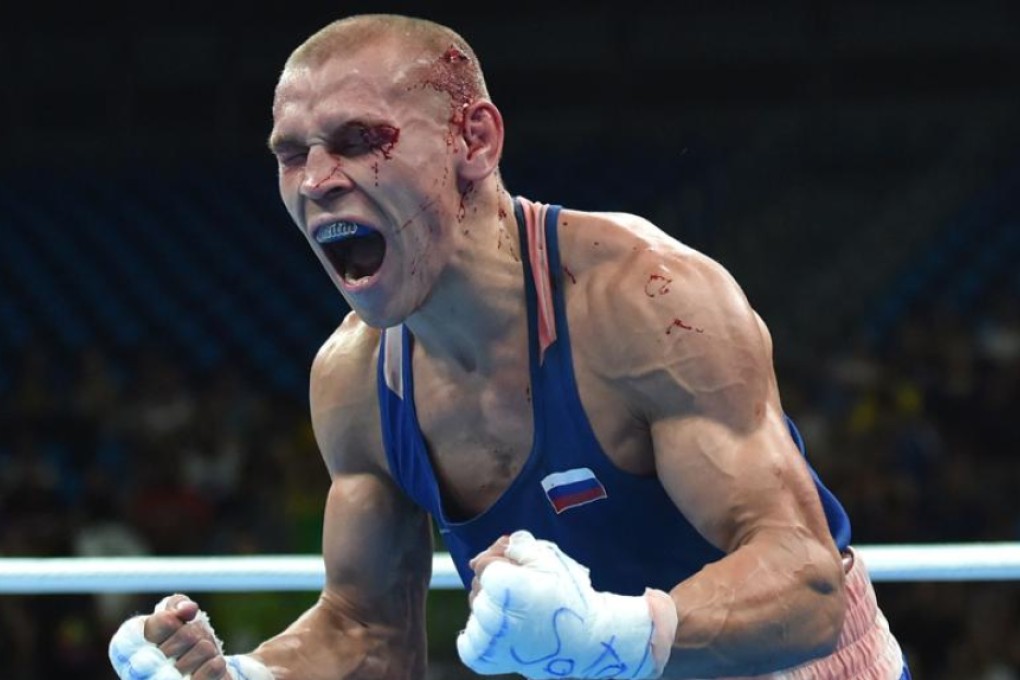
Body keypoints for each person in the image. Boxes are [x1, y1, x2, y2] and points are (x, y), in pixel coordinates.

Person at [109, 12, 910, 680]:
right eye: (291, 153)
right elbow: (368, 634)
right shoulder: (354, 380)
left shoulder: (646, 299)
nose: (316, 180)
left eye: (357, 139)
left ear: (474, 139)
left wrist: (616, 632)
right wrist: (244, 674)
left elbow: (806, 585)